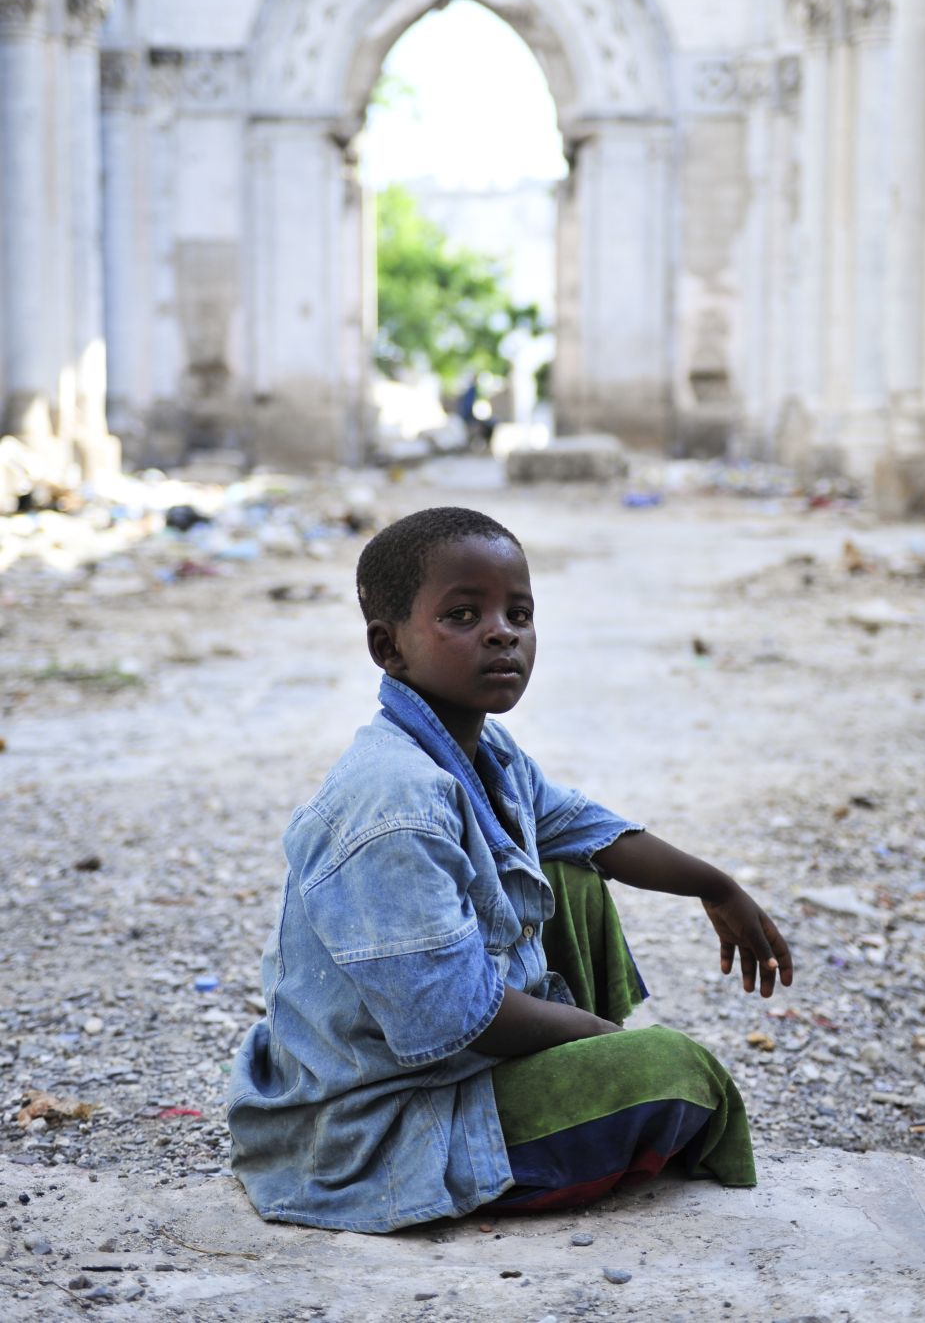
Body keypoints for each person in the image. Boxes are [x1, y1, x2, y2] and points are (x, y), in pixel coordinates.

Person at [227, 507, 793, 1234]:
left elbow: (588, 830)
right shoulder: (395, 800)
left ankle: (588, 1090)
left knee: (573, 878)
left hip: (448, 1067)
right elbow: (454, 1015)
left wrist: (718, 887)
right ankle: (581, 1107)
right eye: (463, 616)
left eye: (518, 614)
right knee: (679, 1072)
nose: (503, 634)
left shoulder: (484, 750)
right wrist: (602, 1040)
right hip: (377, 1127)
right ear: (388, 647)